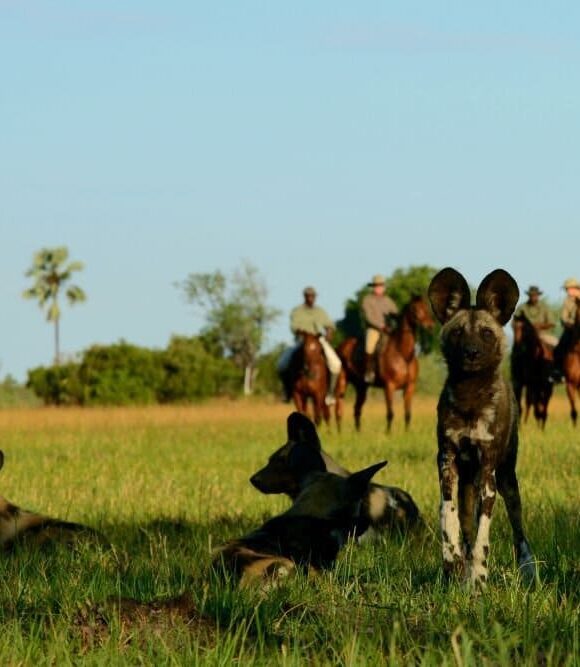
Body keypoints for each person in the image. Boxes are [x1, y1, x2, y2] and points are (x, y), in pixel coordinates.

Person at [278, 286, 342, 405]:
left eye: (313, 296)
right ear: (304, 297)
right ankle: (287, 391)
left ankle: (330, 393)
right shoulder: (297, 311)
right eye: (308, 296)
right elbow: (293, 327)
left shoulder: (320, 311)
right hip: (302, 341)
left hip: (318, 340)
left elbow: (329, 324)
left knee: (336, 364)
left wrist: (329, 332)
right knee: (282, 364)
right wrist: (301, 333)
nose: (311, 298)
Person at [361, 274, 399, 383]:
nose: (379, 288)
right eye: (376, 286)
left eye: (381, 285)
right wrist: (381, 326)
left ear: (384, 287)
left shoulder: (388, 300)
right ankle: (369, 371)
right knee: (370, 346)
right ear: (373, 287)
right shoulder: (367, 300)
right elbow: (369, 317)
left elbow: (395, 313)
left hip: (388, 330)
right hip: (374, 329)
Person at [553, 277, 580, 380]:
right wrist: (570, 325)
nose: (567, 291)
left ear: (575, 288)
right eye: (566, 289)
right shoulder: (567, 301)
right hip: (572, 330)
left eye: (568, 289)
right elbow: (564, 317)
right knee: (559, 348)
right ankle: (558, 371)